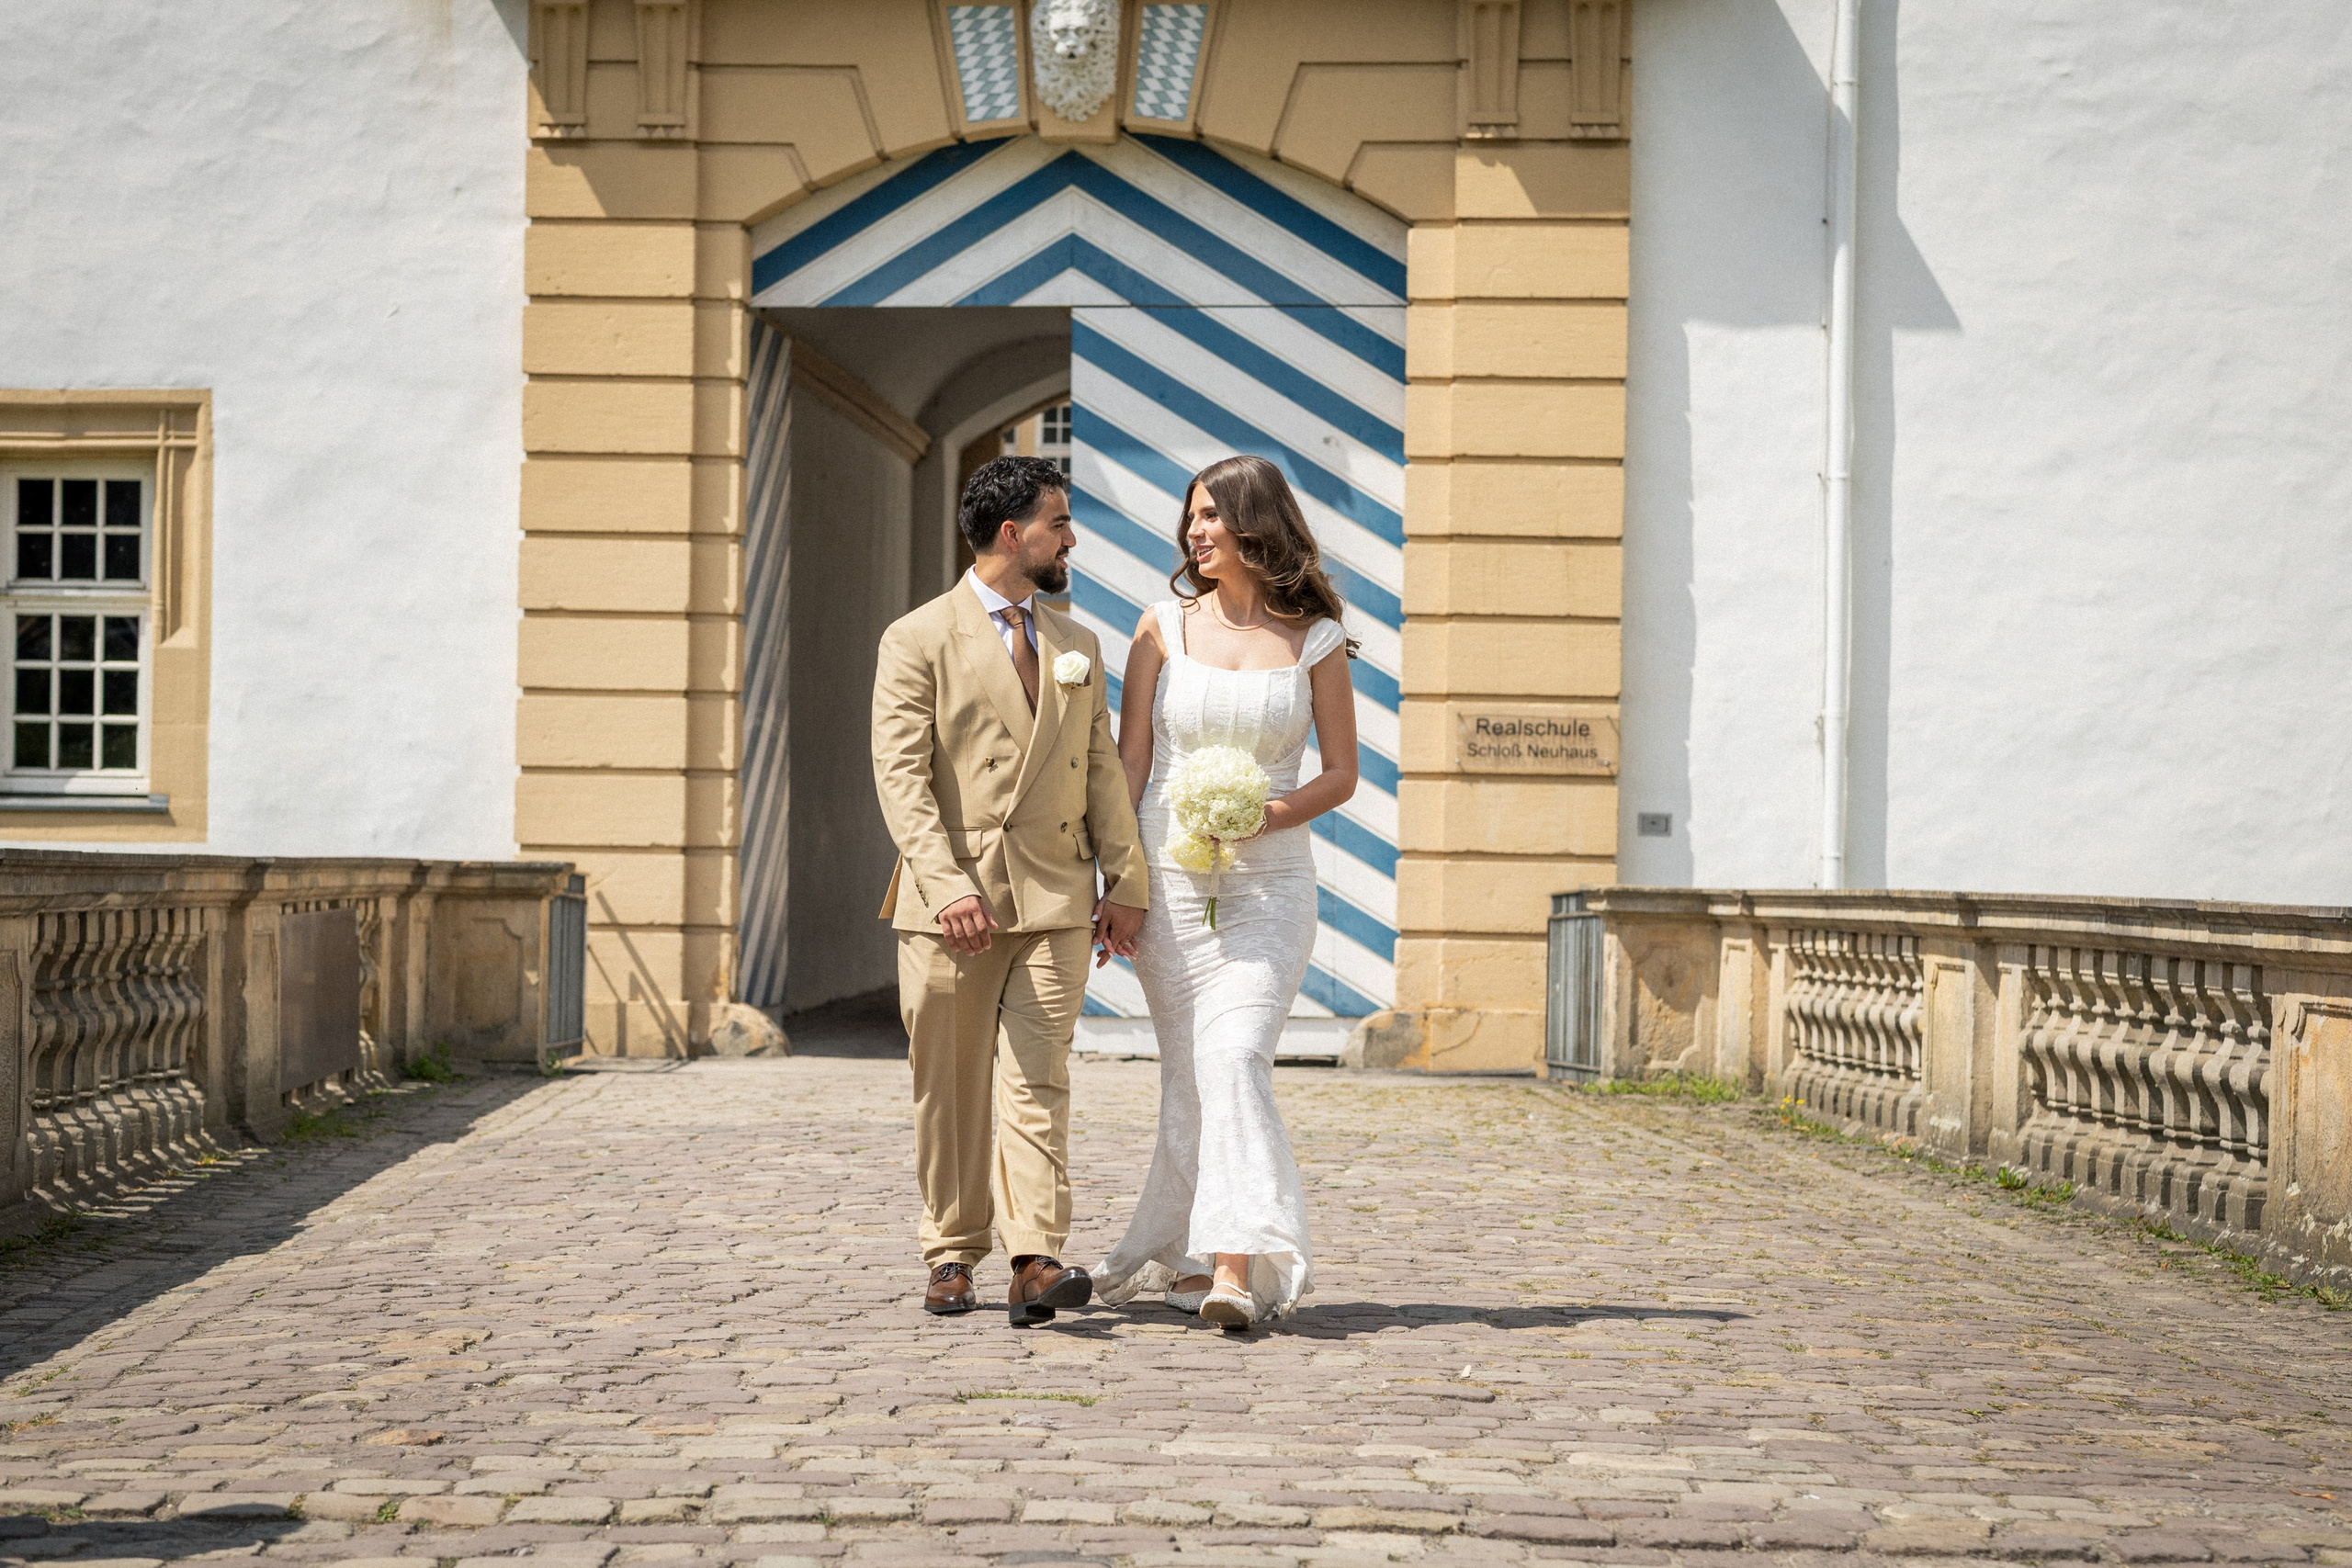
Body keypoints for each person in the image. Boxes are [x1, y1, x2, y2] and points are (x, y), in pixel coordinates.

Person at [870, 456, 1149, 1327]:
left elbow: (1101, 770)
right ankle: (952, 1249)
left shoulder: (1078, 645)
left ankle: (1036, 1257)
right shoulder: (915, 638)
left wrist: (1125, 878)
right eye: (1059, 524)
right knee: (950, 1086)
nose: (1071, 540)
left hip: (1058, 899)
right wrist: (946, 884)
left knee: (1039, 1079)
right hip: (954, 906)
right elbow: (901, 778)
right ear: (1010, 534)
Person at [1093, 454, 1360, 1331]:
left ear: (1254, 523)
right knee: (1191, 1076)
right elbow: (1132, 763)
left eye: (1211, 515)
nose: (1196, 532)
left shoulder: (1314, 635)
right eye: (1192, 517)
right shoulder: (1159, 627)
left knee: (1234, 1055)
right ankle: (1187, 1255)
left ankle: (1237, 1269)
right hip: (1170, 889)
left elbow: (1343, 775)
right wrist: (1118, 879)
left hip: (1272, 890)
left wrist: (1267, 813)